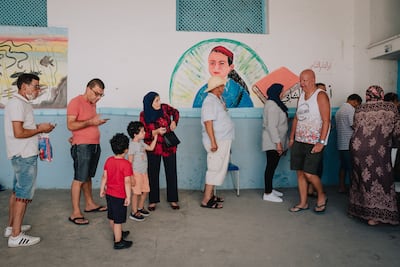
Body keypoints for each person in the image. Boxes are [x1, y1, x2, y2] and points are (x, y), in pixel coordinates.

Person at [4, 73, 55, 247]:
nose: (38, 89)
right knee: (23, 195)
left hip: (21, 154)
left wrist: (39, 128)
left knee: (17, 192)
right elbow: (19, 133)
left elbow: (23, 128)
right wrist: (40, 128)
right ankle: (16, 236)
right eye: (35, 86)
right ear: (24, 86)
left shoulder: (20, 103)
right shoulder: (18, 104)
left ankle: (12, 228)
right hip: (24, 155)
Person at [348, 85, 400, 226]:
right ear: (381, 94)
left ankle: (358, 210)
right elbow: (397, 131)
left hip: (358, 148)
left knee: (361, 177)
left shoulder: (360, 108)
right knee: (381, 178)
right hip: (379, 150)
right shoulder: (390, 108)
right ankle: (375, 216)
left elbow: (355, 127)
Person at [67, 78, 109, 225]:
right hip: (83, 146)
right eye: (96, 94)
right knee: (79, 178)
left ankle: (90, 204)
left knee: (88, 176)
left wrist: (95, 124)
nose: (98, 98)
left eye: (101, 95)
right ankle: (75, 212)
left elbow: (84, 125)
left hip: (93, 145)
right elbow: (70, 125)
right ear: (88, 88)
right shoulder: (75, 102)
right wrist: (91, 122)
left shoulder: (92, 104)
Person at [288, 69, 330, 213]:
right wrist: (292, 137)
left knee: (309, 174)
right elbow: (297, 118)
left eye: (304, 81)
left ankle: (321, 194)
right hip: (299, 141)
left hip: (314, 142)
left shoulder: (321, 95)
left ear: (312, 80)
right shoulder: (301, 96)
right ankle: (303, 202)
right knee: (300, 173)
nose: (301, 84)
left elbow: (326, 121)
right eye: (300, 80)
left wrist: (321, 142)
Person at [140, 92, 180, 210]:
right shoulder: (143, 115)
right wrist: (155, 132)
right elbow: (143, 134)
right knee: (153, 173)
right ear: (149, 103)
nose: (159, 103)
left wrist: (174, 122)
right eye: (156, 100)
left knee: (171, 172)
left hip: (169, 146)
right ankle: (153, 200)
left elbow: (176, 112)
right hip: (153, 147)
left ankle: (173, 199)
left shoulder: (164, 108)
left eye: (159, 100)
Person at [200, 76, 235, 209]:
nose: (222, 89)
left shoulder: (217, 99)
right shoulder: (209, 102)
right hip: (217, 141)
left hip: (222, 139)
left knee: (218, 167)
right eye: (220, 86)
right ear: (214, 88)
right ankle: (206, 199)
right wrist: (213, 142)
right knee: (214, 168)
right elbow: (208, 122)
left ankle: (211, 195)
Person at [100, 133, 133, 249]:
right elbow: (127, 182)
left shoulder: (109, 160)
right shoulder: (126, 164)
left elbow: (104, 176)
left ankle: (116, 232)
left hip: (109, 194)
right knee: (118, 220)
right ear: (126, 149)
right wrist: (128, 197)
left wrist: (101, 189)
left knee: (112, 216)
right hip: (119, 196)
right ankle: (118, 241)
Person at [261, 83, 288, 202]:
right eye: (282, 91)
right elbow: (271, 126)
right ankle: (267, 193)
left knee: (272, 166)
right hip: (272, 142)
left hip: (275, 141)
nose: (283, 93)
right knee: (271, 167)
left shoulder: (275, 103)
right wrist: (278, 143)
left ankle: (270, 189)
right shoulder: (272, 105)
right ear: (277, 92)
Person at [127, 121, 157, 221]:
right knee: (136, 193)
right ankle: (134, 212)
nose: (144, 133)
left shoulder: (141, 143)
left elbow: (151, 148)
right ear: (135, 134)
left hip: (144, 172)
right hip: (136, 173)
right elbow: (129, 162)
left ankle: (140, 207)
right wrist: (131, 176)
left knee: (145, 190)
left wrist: (156, 136)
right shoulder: (132, 146)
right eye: (142, 131)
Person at [335, 94, 362, 193]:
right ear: (354, 101)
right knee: (352, 168)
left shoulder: (339, 110)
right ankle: (353, 190)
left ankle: (341, 187)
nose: (357, 107)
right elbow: (353, 125)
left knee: (343, 166)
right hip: (349, 143)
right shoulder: (350, 110)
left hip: (341, 143)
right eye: (357, 104)